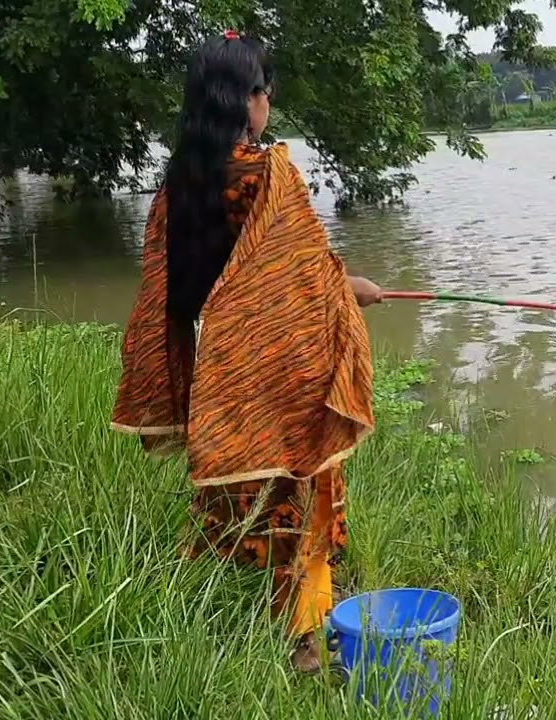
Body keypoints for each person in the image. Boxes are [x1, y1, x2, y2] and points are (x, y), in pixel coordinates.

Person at [110, 33, 382, 672]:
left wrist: (335, 281)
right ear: (244, 99)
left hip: (225, 366)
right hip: (284, 366)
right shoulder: (270, 173)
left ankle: (218, 604)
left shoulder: (179, 184)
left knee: (241, 481)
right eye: (265, 90)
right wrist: (353, 287)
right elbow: (304, 276)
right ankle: (305, 638)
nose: (269, 102)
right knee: (298, 485)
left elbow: (208, 283)